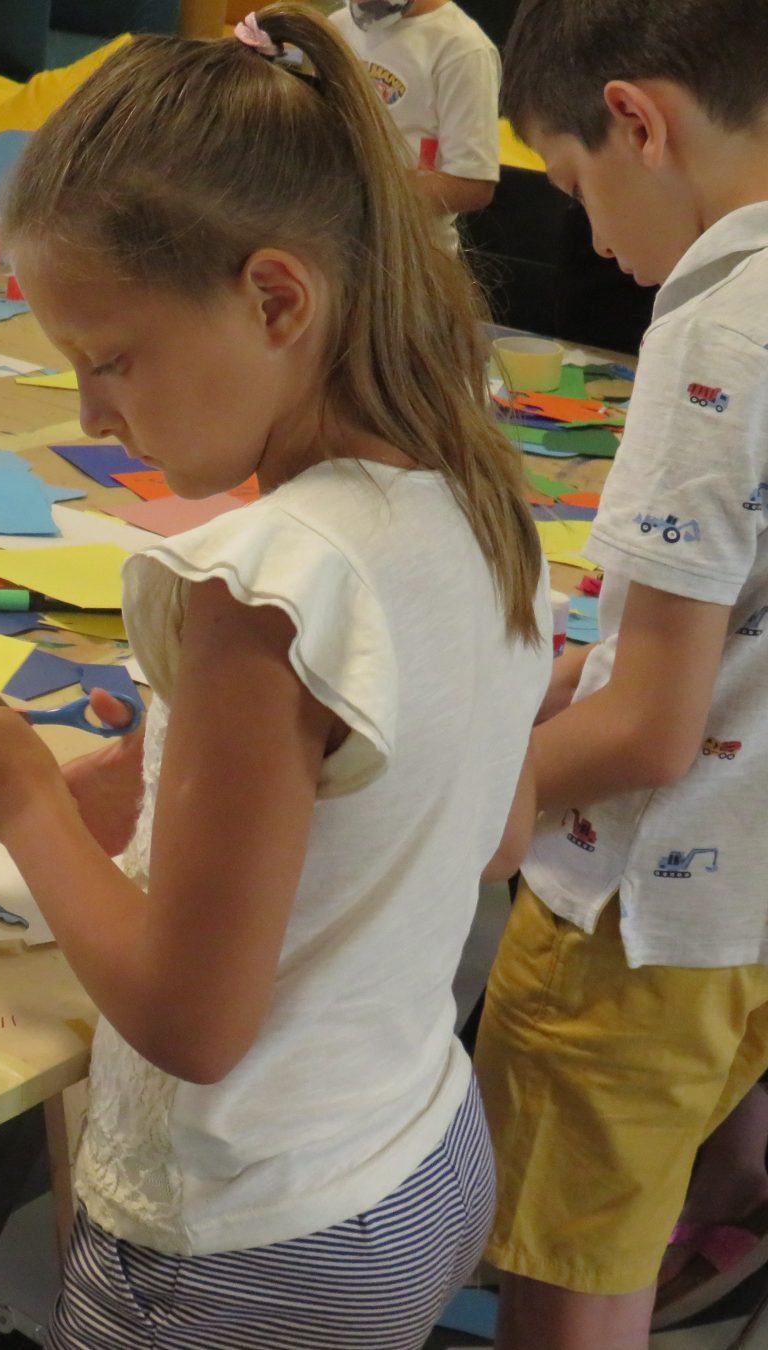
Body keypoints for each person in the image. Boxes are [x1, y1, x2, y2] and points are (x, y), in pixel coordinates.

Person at [0, 8, 551, 1346]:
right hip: (418, 1159)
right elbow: (494, 832)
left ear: (276, 299)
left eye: (110, 359)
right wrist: (175, 791)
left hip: (253, 1247)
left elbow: (192, 1022)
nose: (91, 412)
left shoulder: (263, 586)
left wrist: (25, 805)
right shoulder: (471, 491)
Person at [469, 0, 768, 1345]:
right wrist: (573, 671)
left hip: (632, 921)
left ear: (637, 121)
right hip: (743, 901)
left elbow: (648, 733)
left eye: (575, 183)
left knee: (572, 1289)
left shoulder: (716, 328)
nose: (591, 238)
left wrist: (462, 794)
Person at [328, 0, 500, 248]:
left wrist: (361, 193)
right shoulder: (337, 27)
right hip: (335, 243)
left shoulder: (462, 49)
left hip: (415, 250)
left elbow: (472, 185)